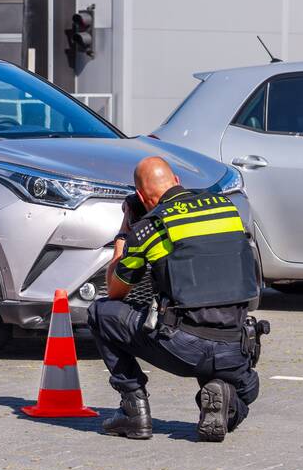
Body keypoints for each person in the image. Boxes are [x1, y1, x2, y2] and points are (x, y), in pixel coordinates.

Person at [87, 156, 264, 442]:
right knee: (247, 389)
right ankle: (226, 397)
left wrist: (124, 233)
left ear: (142, 196)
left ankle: (134, 413)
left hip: (184, 348)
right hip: (236, 344)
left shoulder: (149, 228)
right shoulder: (226, 210)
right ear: (177, 182)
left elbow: (116, 290)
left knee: (100, 313)